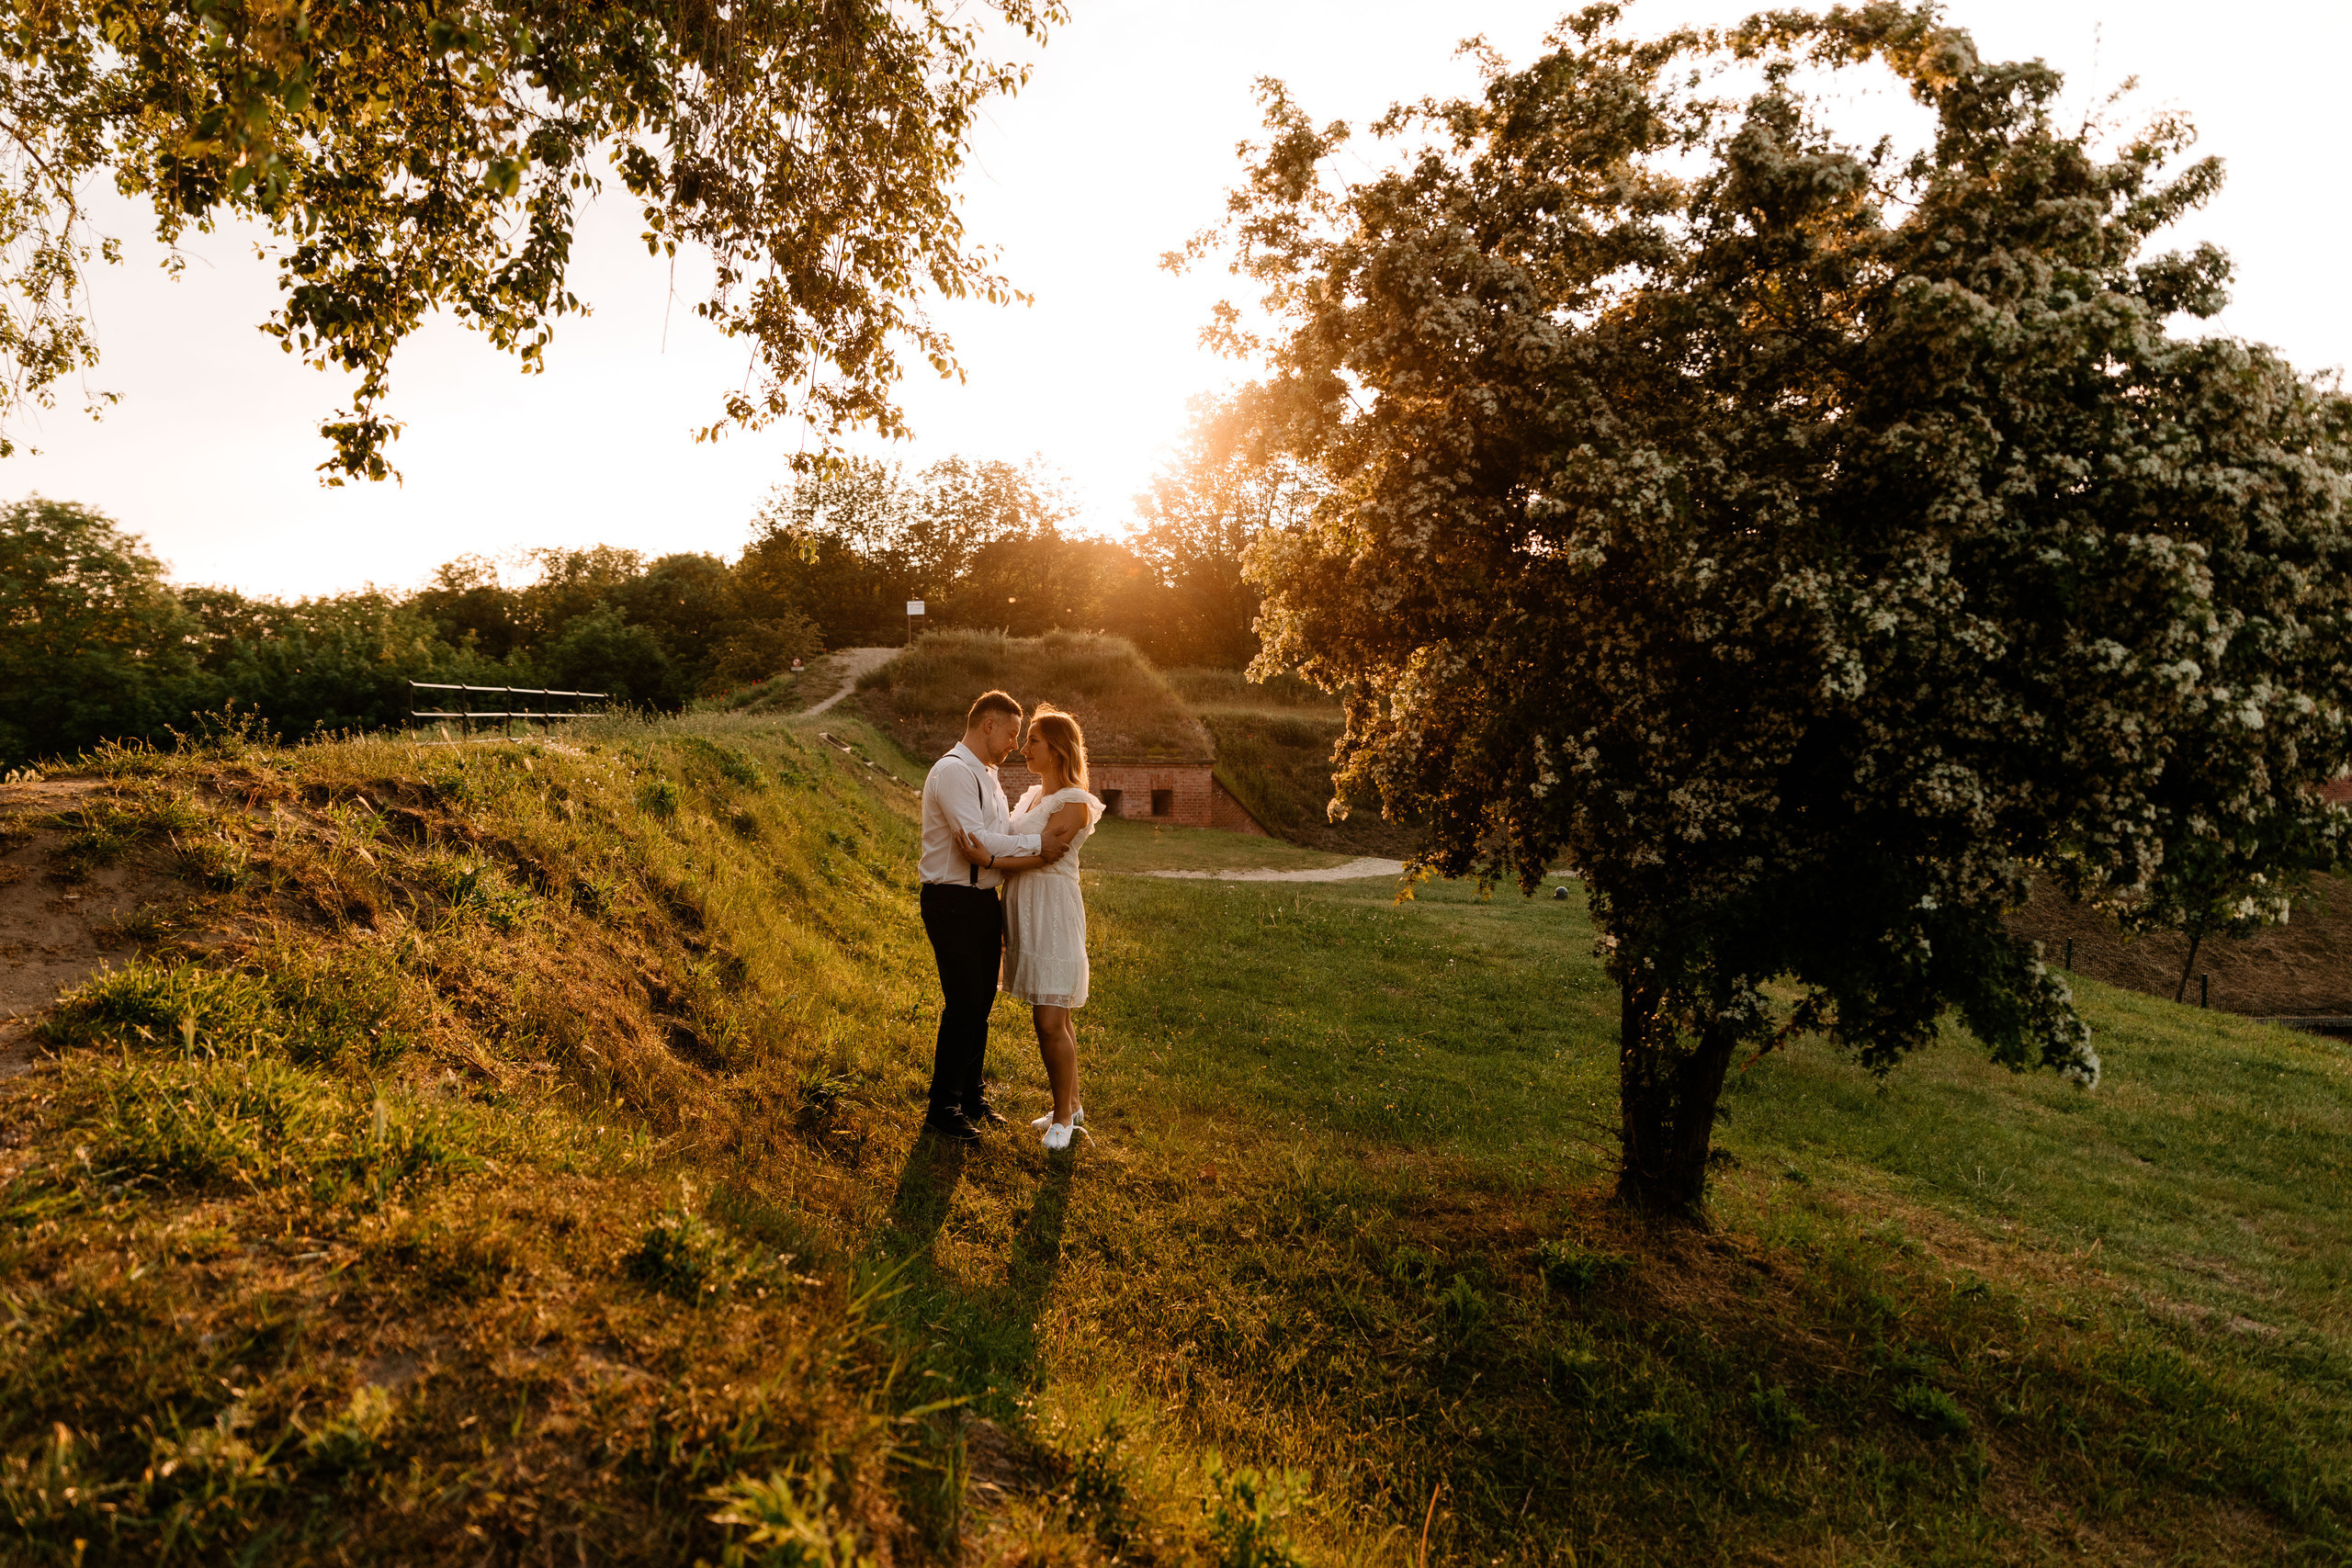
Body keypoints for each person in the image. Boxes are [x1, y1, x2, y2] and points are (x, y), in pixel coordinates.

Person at [917, 691, 1074, 1141]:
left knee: (980, 1004)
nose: (1014, 744)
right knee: (964, 1003)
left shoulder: (987, 774)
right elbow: (979, 839)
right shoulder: (952, 771)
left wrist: (1004, 851)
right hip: (951, 901)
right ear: (988, 725)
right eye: (1011, 734)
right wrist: (1038, 847)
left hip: (983, 902)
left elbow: (995, 839)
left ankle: (970, 1096)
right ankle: (942, 1108)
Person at [955, 705, 1103, 1151]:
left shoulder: (1076, 803)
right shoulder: (1031, 798)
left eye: (1033, 740)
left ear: (1058, 749)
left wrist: (990, 861)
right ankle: (1071, 1105)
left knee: (1049, 1019)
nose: (1023, 748)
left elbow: (1046, 855)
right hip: (1024, 907)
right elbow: (1023, 840)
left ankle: (1064, 1121)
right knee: (1056, 1012)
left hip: (1053, 911)